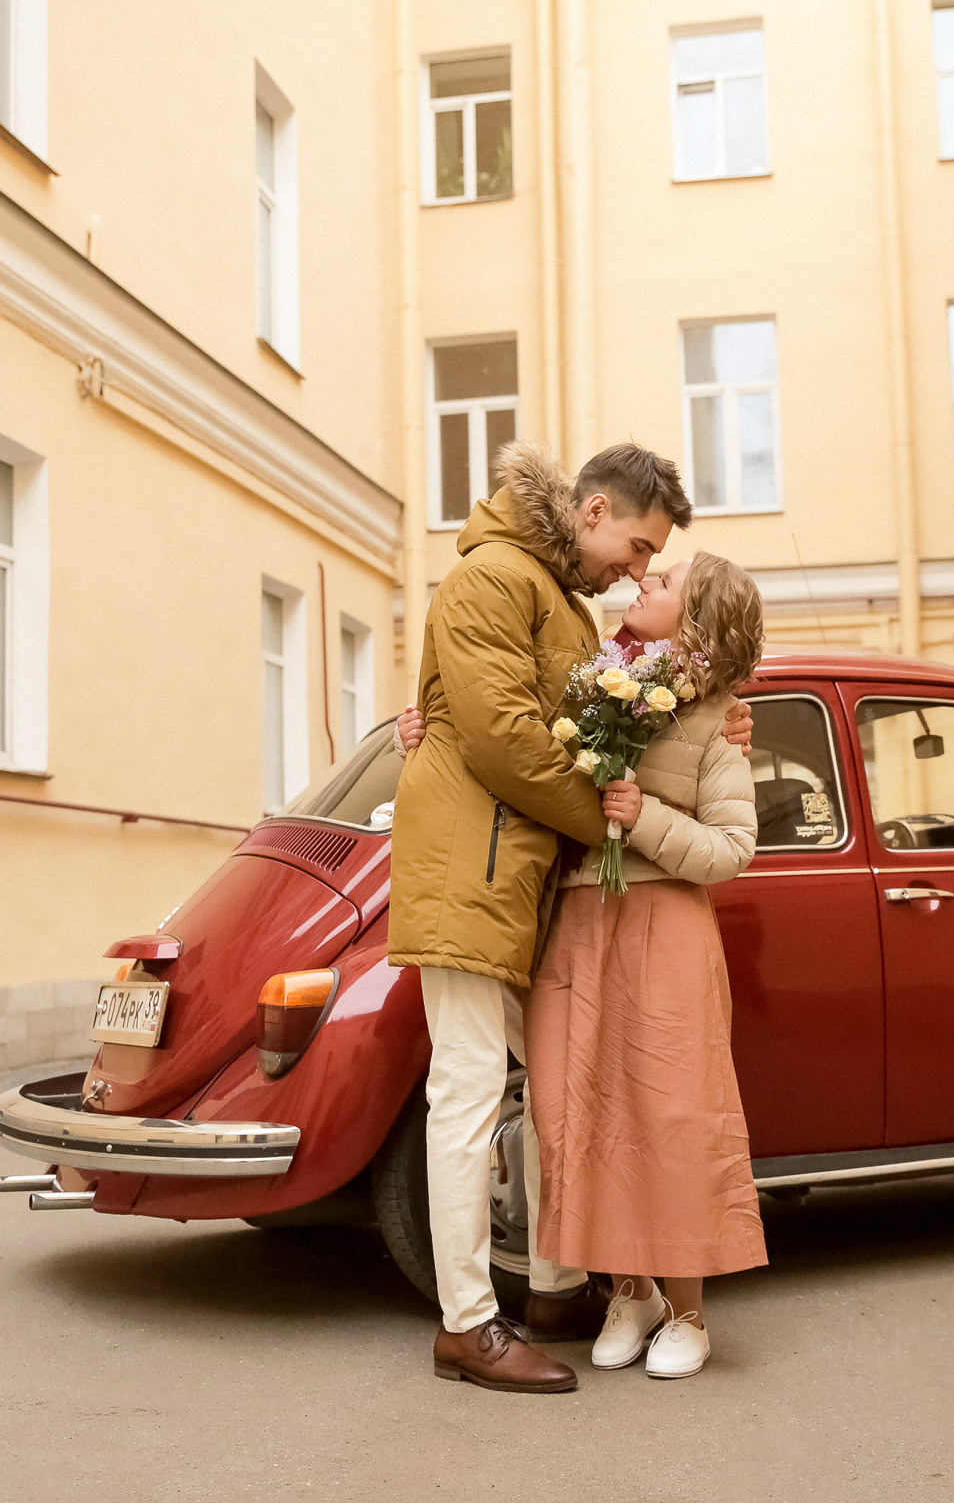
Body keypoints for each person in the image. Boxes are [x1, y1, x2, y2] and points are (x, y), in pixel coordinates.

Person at [387, 440, 690, 1394]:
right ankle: (467, 1326)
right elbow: (505, 740)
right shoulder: (490, 577)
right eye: (637, 547)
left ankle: (556, 1289)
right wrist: (610, 821)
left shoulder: (556, 596)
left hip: (514, 877)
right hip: (470, 871)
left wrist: (720, 723)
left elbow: (594, 718)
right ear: (594, 511)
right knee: (470, 1093)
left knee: (552, 1078)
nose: (636, 571)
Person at [527, 552, 768, 1380]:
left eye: (664, 583)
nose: (644, 582)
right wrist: (419, 733)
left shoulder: (719, 720)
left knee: (672, 1114)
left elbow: (733, 848)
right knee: (573, 1109)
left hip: (665, 928)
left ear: (695, 623)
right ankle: (629, 1292)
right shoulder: (591, 679)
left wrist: (645, 816)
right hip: (578, 924)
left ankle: (689, 1311)